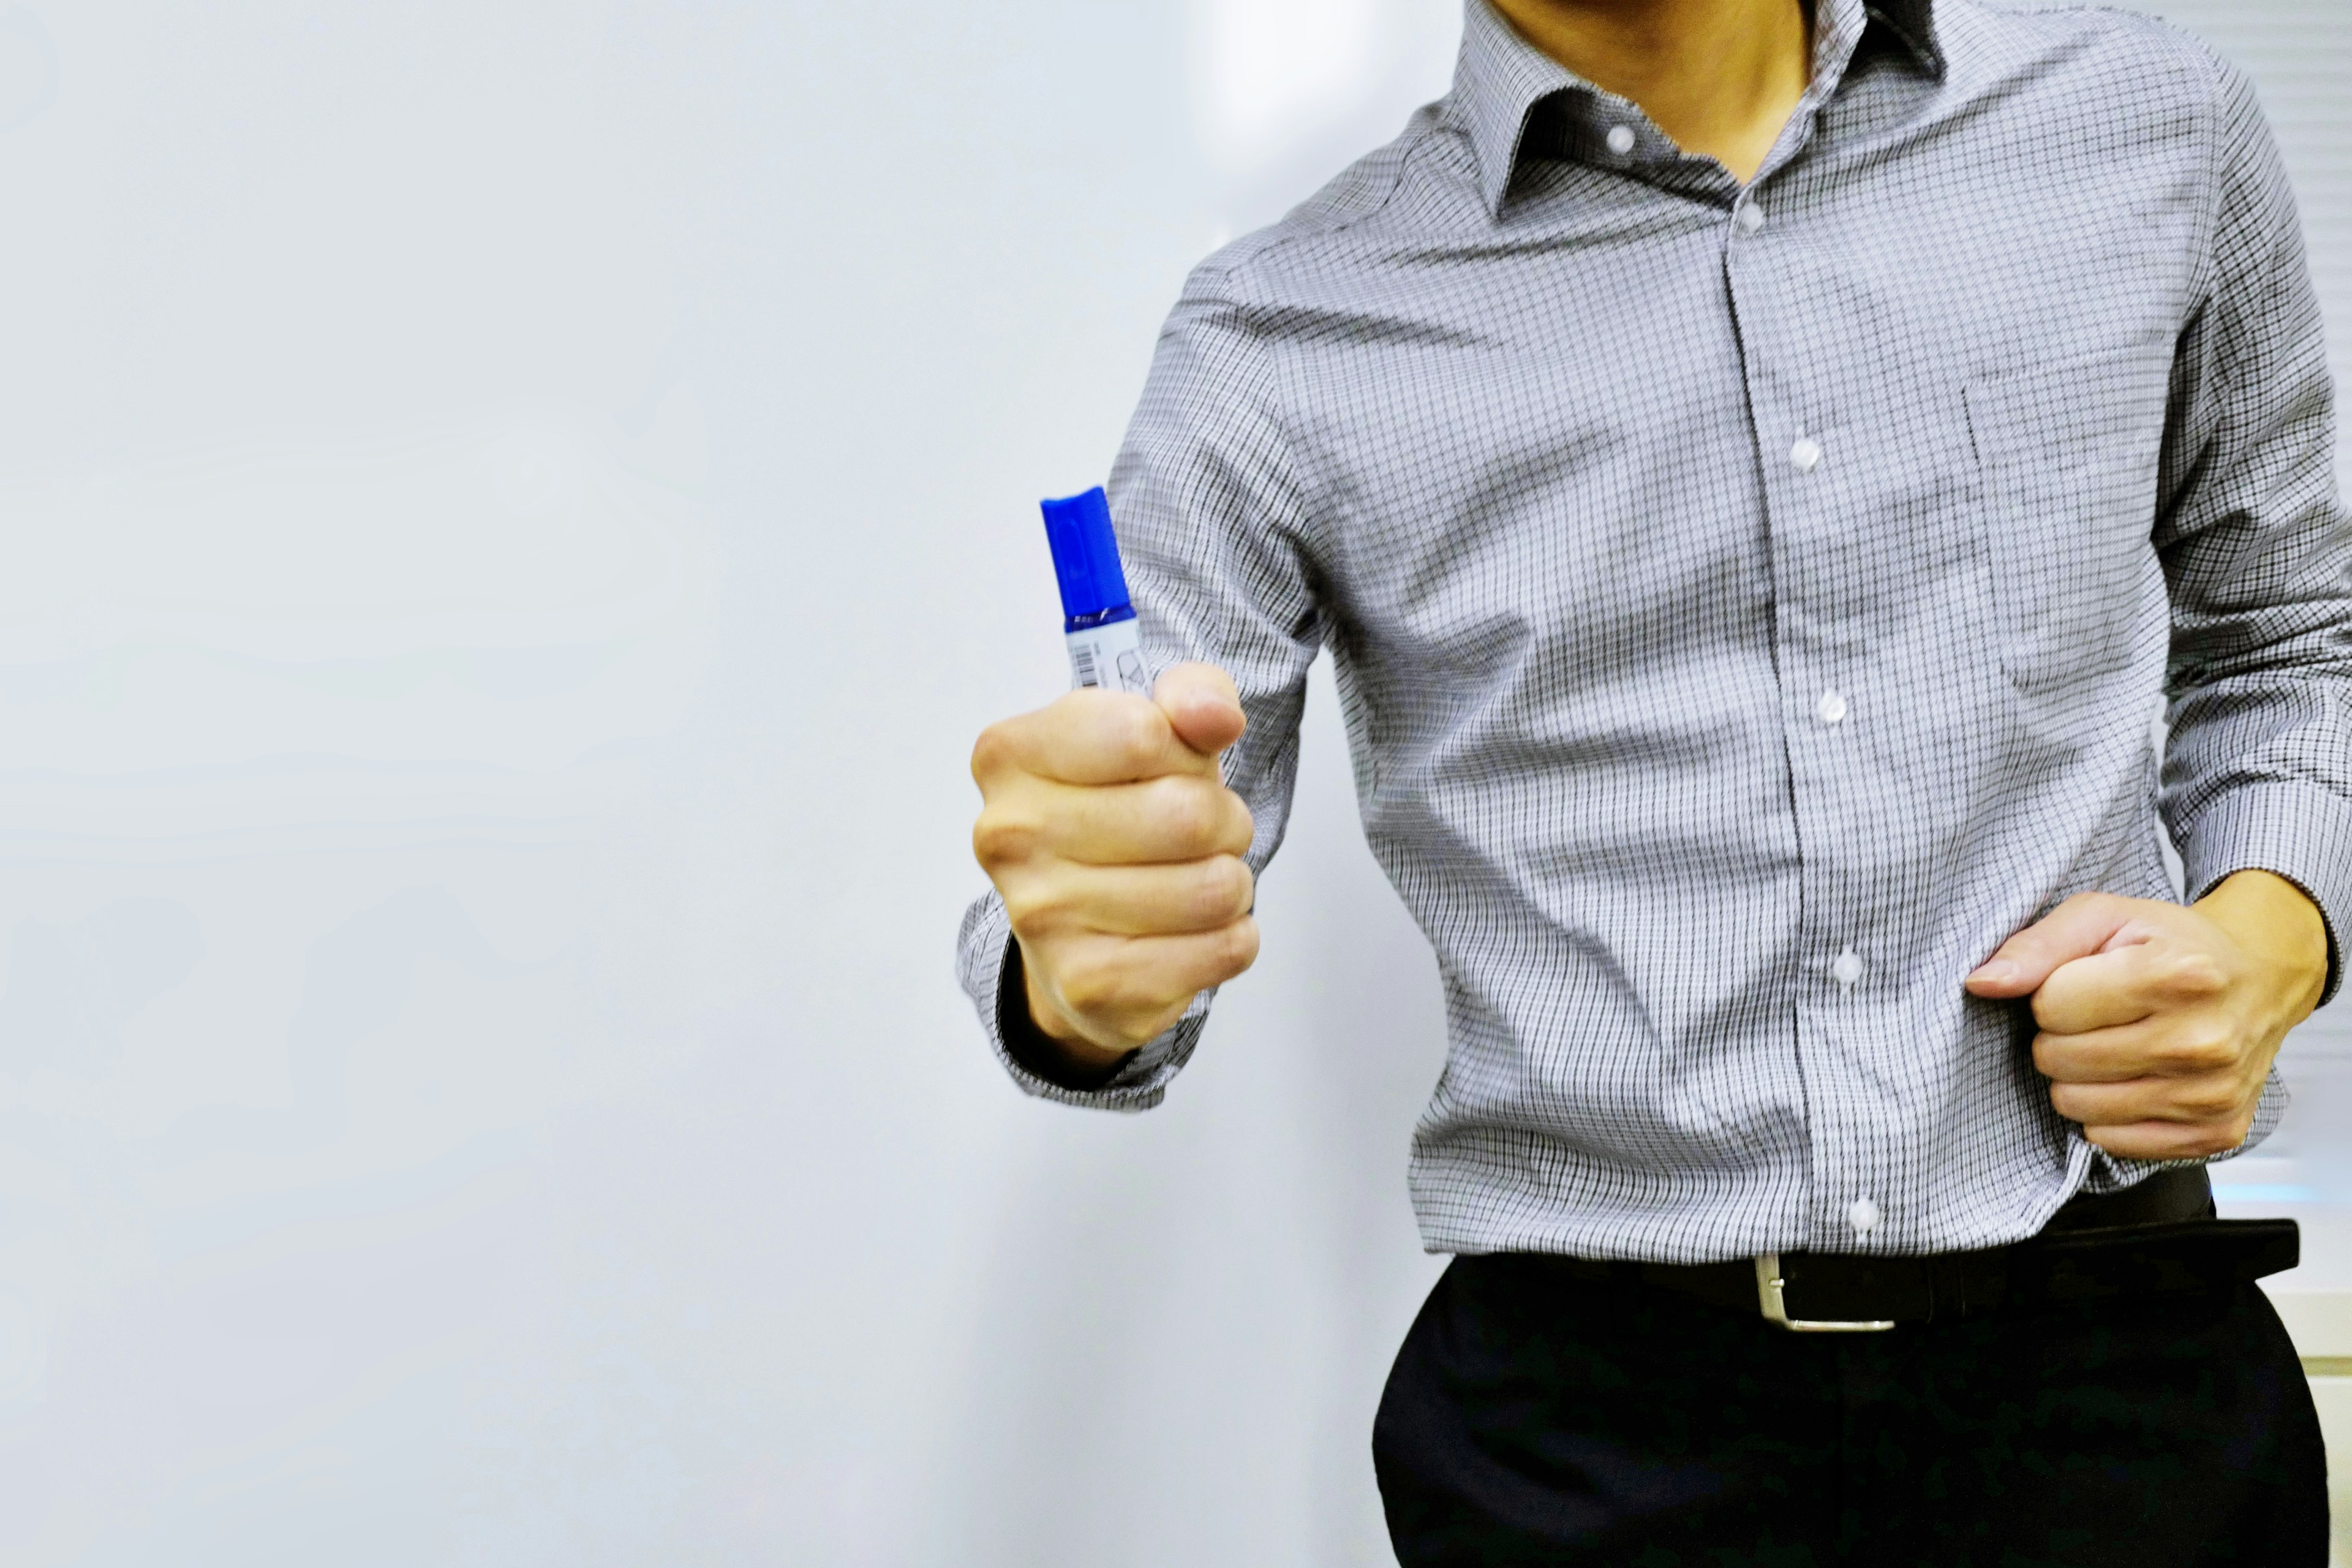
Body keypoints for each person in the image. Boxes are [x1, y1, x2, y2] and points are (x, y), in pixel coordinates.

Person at [958, 0, 2345, 1558]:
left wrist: (2268, 935)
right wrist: (1077, 969)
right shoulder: (1281, 332)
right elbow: (1094, 903)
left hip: (2121, 1386)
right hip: (1590, 1455)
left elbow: (2294, 637)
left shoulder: (2150, 120)